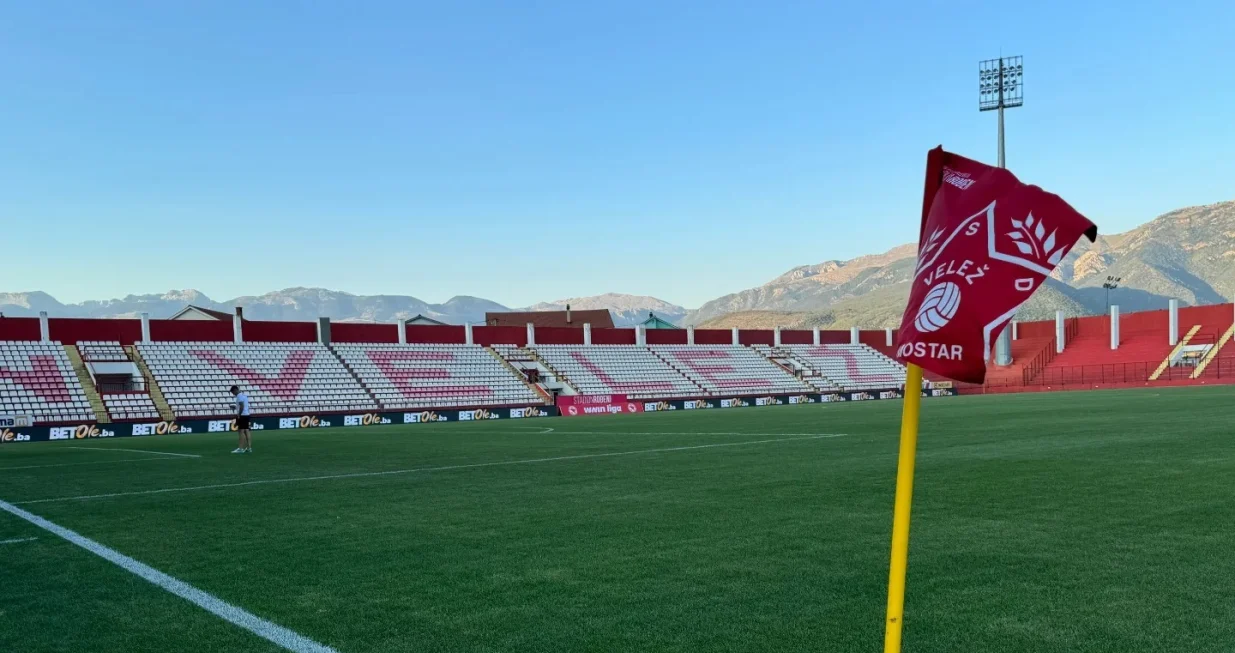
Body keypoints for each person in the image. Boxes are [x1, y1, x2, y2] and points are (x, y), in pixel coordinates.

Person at [229, 385, 252, 453]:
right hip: (247, 414)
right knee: (246, 431)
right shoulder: (244, 396)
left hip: (242, 415)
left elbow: (242, 406)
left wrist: (239, 414)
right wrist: (236, 407)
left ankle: (240, 448)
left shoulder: (239, 396)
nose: (233, 394)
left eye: (233, 392)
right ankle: (249, 448)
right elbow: (244, 406)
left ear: (235, 390)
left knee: (241, 431)